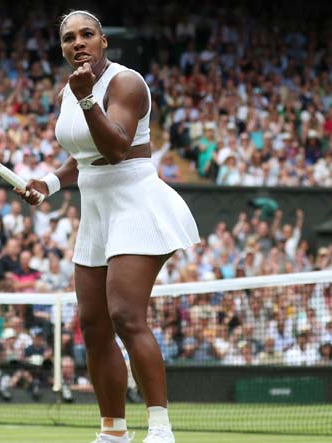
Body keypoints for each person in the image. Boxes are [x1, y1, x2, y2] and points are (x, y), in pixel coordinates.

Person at [18, 10, 199, 443]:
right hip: (96, 210)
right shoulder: (71, 89)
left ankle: (160, 429)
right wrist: (49, 181)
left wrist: (85, 100)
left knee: (125, 315)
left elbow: (116, 147)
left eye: (86, 35)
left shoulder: (126, 83)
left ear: (103, 42)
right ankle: (113, 432)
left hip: (136, 202)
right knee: (94, 324)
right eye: (68, 38)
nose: (77, 43)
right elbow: (83, 155)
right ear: (62, 48)